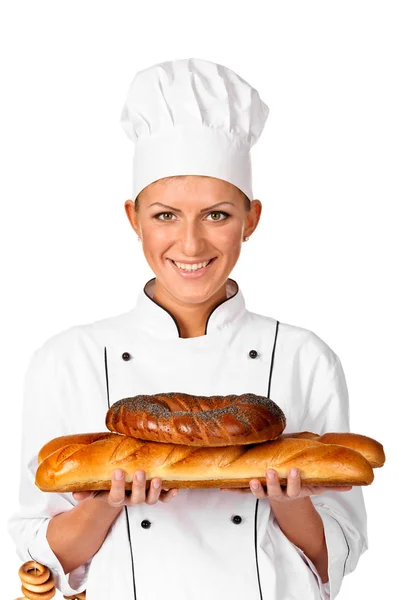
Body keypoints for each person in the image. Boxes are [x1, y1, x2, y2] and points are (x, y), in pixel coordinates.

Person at [8, 57, 368, 600]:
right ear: (133, 218)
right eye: (165, 215)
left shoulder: (302, 355)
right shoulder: (69, 358)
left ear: (253, 218)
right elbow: (42, 557)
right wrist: (108, 501)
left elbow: (334, 558)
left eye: (218, 215)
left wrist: (288, 500)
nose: (192, 245)